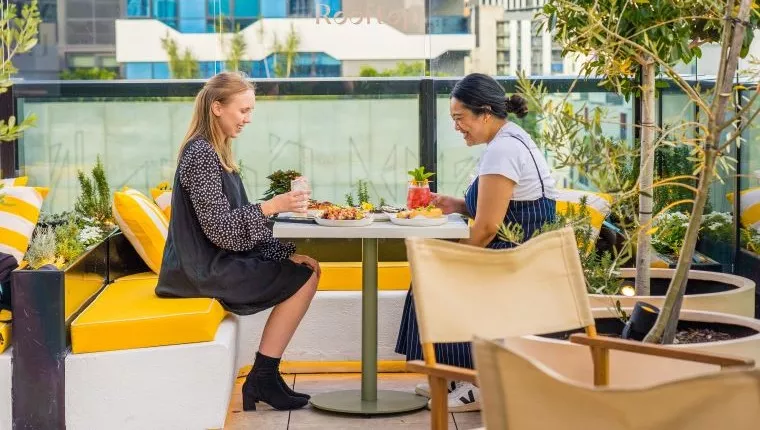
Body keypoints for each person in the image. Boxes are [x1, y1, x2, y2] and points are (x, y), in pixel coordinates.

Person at [156, 72, 321, 412]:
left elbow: (233, 225)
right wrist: (275, 205)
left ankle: (264, 376)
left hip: (211, 262)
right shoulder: (201, 155)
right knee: (305, 276)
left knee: (306, 266)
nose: (247, 119)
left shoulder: (216, 152)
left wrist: (282, 249)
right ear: (217, 107)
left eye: (250, 112)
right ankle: (263, 377)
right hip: (201, 271)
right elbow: (222, 231)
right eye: (243, 110)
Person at [395, 73, 558, 412]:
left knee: (432, 277)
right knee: (433, 271)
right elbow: (500, 206)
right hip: (522, 251)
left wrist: (450, 259)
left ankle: (474, 382)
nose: (457, 126)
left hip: (514, 256)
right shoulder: (510, 140)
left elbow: (485, 229)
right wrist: (455, 204)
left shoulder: (503, 150)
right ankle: (454, 377)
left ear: (484, 113)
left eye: (460, 118)